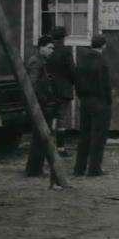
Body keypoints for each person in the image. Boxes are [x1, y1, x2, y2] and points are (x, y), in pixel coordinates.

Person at [73, 34, 113, 177]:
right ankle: (94, 168)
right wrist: (108, 101)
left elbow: (76, 80)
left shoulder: (82, 60)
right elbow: (106, 85)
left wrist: (82, 97)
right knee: (98, 137)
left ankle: (79, 168)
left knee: (84, 136)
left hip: (85, 101)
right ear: (103, 45)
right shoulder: (102, 62)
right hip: (100, 102)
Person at [25, 35, 58, 178]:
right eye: (50, 47)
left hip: (40, 104)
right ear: (41, 47)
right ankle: (34, 169)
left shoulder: (40, 61)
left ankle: (35, 168)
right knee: (40, 137)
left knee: (41, 137)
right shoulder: (36, 62)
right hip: (39, 105)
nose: (52, 51)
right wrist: (44, 100)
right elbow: (32, 84)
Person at [46, 25, 76, 156]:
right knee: (61, 119)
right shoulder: (66, 52)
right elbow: (72, 71)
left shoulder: (48, 51)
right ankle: (61, 148)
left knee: (49, 117)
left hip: (48, 90)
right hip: (63, 90)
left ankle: (48, 147)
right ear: (64, 38)